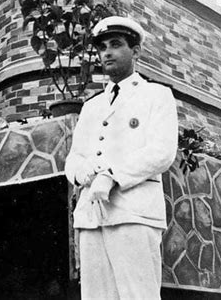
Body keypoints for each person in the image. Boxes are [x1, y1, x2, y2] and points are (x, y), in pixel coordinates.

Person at [64, 16, 178, 300]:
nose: (107, 53)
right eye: (102, 47)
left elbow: (161, 152)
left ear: (136, 51)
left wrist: (111, 175)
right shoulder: (92, 107)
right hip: (91, 217)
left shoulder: (156, 96)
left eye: (116, 44)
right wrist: (84, 172)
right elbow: (74, 158)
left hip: (133, 213)